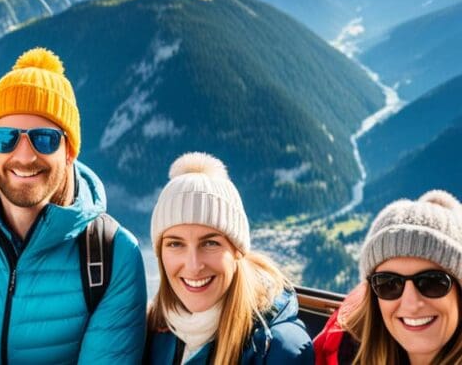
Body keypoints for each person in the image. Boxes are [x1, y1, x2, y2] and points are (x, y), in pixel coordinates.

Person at [0, 47, 147, 364]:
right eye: (5, 138)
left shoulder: (111, 255)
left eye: (44, 138)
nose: (23, 155)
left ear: (70, 151)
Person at [145, 152, 314, 364]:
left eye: (210, 243)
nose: (194, 265)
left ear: (237, 250)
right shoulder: (154, 328)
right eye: (175, 244)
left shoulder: (278, 350)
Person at [314, 190, 462, 365]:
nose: (411, 304)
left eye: (432, 282)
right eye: (389, 284)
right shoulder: (342, 353)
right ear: (373, 297)